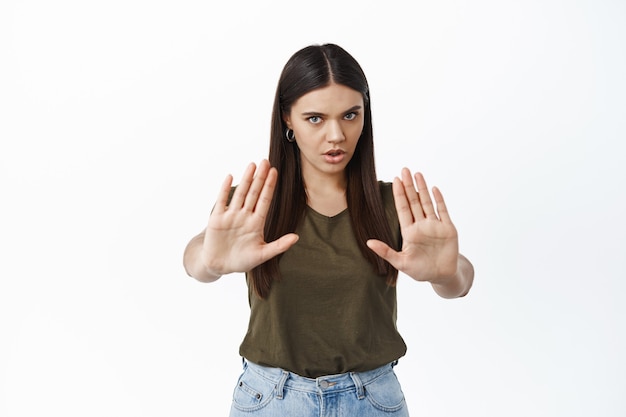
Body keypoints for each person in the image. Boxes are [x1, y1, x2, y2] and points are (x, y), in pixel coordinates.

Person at [183, 43, 474, 417]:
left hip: (372, 401)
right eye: (315, 118)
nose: (336, 135)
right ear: (288, 118)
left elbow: (461, 280)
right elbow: (195, 259)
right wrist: (210, 262)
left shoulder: (393, 204)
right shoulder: (254, 205)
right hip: (271, 401)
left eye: (350, 115)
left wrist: (447, 274)